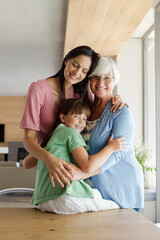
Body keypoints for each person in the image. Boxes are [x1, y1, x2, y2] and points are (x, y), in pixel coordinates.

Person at [20, 45, 125, 188]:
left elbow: (97, 109)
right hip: (49, 164)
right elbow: (28, 140)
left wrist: (115, 98)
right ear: (66, 61)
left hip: (75, 167)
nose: (77, 72)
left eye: (84, 71)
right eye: (75, 65)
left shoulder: (81, 92)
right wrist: (50, 159)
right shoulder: (38, 89)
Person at [25, 99, 126, 214]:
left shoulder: (48, 137)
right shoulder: (71, 133)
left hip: (43, 202)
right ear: (62, 118)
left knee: (95, 195)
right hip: (65, 197)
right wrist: (110, 148)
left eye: (84, 119)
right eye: (77, 116)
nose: (81, 122)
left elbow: (26, 164)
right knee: (116, 205)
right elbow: (88, 166)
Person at [69, 57, 144, 212]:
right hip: (93, 189)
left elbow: (118, 154)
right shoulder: (84, 109)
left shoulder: (122, 112)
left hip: (120, 187)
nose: (100, 82)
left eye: (107, 78)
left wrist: (84, 172)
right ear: (89, 80)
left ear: (115, 80)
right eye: (96, 77)